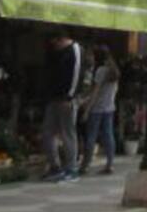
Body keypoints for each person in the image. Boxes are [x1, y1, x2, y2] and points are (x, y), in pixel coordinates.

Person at [42, 32, 82, 182]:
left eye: (56, 44)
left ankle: (71, 168)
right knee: (48, 132)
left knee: (67, 133)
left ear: (61, 40)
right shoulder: (55, 52)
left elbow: (76, 73)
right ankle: (55, 166)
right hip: (54, 97)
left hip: (67, 99)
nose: (54, 47)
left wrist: (70, 96)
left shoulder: (75, 50)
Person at [79, 44, 119, 175]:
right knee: (108, 135)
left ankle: (86, 164)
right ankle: (110, 163)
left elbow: (95, 92)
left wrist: (86, 109)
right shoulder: (114, 71)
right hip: (109, 107)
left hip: (97, 108)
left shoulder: (101, 71)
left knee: (91, 136)